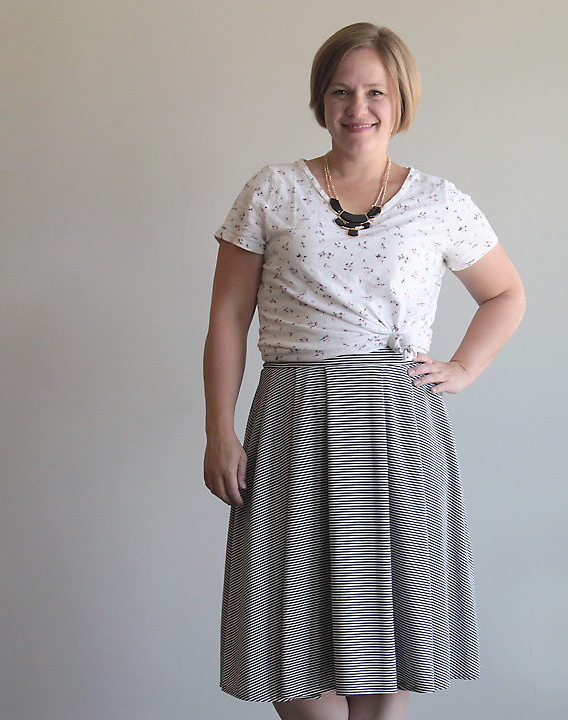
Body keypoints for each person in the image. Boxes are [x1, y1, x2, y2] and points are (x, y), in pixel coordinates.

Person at [203, 21, 525, 720]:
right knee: (293, 626)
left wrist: (464, 367)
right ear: (321, 99)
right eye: (342, 90)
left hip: (396, 428)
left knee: (388, 631)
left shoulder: (439, 202)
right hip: (292, 428)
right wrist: (219, 432)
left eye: (376, 91)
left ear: (401, 99)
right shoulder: (272, 191)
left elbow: (505, 294)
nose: (359, 108)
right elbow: (228, 318)